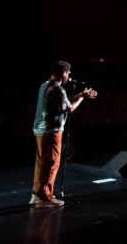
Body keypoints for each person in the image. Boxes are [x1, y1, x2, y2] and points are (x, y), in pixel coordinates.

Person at [31, 61, 96, 208]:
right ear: (65, 73)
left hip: (41, 130)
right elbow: (70, 108)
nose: (69, 76)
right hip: (51, 131)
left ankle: (37, 195)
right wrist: (81, 99)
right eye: (68, 73)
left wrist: (81, 94)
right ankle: (45, 198)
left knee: (42, 163)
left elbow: (63, 102)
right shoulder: (58, 89)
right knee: (52, 163)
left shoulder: (45, 85)